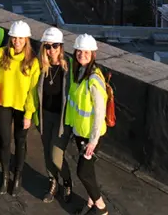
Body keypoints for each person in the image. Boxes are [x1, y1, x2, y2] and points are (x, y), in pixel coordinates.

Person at [0, 20, 40, 195]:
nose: (17, 41)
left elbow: (32, 91)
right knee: (5, 142)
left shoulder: (33, 62)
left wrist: (29, 114)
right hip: (3, 104)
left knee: (20, 142)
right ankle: (5, 176)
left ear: (26, 39)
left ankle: (18, 176)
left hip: (22, 107)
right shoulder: (0, 54)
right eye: (14, 38)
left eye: (21, 38)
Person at [65, 34, 109, 215]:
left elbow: (99, 113)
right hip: (80, 132)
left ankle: (101, 208)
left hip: (91, 136)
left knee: (83, 172)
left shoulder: (93, 79)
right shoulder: (80, 72)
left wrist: (93, 141)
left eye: (86, 52)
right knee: (88, 172)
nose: (82, 54)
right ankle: (91, 203)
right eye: (79, 51)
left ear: (93, 54)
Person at [36, 27, 73, 203]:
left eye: (55, 46)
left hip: (62, 119)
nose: (51, 50)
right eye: (48, 46)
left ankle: (66, 181)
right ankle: (53, 182)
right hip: (45, 116)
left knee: (56, 155)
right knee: (46, 153)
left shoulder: (69, 67)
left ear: (61, 47)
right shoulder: (41, 66)